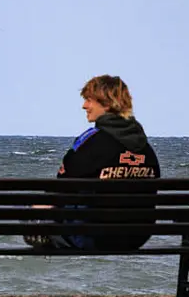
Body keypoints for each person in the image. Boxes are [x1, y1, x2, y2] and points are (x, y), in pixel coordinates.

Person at [24, 75, 161, 251]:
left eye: (89, 100)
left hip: (94, 238)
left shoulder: (91, 142)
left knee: (29, 207)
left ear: (107, 103)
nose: (84, 106)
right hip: (137, 238)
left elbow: (62, 183)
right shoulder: (146, 148)